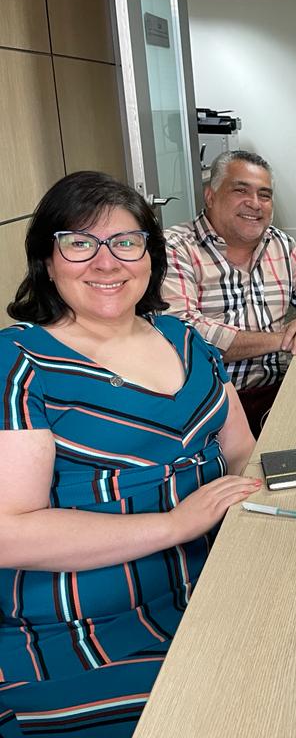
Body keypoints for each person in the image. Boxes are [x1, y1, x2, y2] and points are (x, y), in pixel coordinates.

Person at [0, 172, 259, 738]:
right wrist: (174, 524)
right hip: (84, 626)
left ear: (149, 253)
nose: (106, 262)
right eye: (79, 243)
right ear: (47, 260)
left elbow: (242, 455)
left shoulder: (185, 339)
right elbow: (8, 533)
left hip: (219, 588)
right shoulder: (19, 364)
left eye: (125, 241)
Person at [162, 150, 296, 436]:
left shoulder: (279, 243)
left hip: (279, 391)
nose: (255, 204)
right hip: (207, 404)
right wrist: (281, 340)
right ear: (210, 195)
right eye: (241, 190)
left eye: (265, 195)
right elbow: (182, 334)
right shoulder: (176, 248)